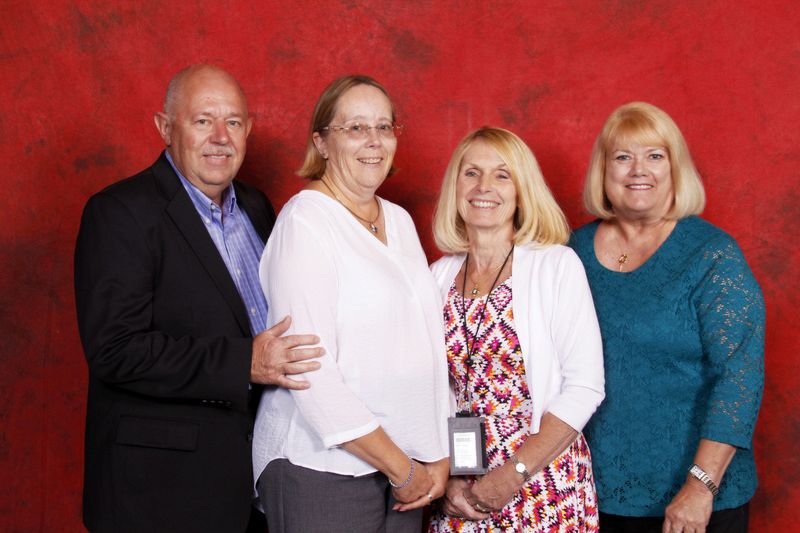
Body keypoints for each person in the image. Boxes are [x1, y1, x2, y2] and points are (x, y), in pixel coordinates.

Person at [74, 64, 323, 533]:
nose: (220, 137)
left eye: (233, 122)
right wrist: (242, 361)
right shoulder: (119, 213)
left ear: (248, 130)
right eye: (202, 120)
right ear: (165, 127)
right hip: (158, 496)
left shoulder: (258, 207)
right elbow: (115, 349)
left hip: (249, 486)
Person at [252, 75, 451, 533]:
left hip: (405, 469)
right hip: (322, 469)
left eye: (384, 127)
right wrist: (403, 468)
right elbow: (309, 373)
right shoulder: (305, 222)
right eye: (356, 128)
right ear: (321, 141)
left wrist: (436, 453)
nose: (374, 141)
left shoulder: (398, 221)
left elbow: (427, 343)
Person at [569, 102, 765, 533]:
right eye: (623, 157)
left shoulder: (712, 255)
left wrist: (701, 486)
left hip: (696, 499)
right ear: (604, 169)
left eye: (655, 156)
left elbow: (740, 379)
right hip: (589, 493)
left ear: (676, 168)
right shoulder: (570, 253)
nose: (639, 170)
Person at [427, 127, 605, 532]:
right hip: (462, 491)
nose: (484, 186)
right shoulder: (436, 278)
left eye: (502, 175)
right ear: (455, 185)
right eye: (471, 173)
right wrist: (451, 479)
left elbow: (586, 386)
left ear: (523, 191)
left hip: (540, 479)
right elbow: (429, 391)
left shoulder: (555, 266)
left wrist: (512, 475)